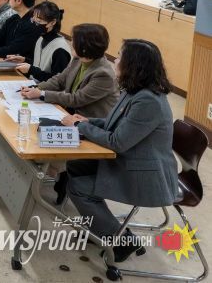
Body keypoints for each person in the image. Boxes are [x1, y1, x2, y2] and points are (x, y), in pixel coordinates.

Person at [61, 39, 177, 263]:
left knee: (79, 187)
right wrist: (87, 121)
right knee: (76, 165)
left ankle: (122, 240)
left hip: (145, 174)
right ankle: (99, 225)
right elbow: (114, 124)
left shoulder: (148, 101)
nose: (115, 60)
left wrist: (80, 127)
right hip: (131, 160)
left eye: (120, 56)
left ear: (133, 64)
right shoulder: (135, 90)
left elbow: (117, 142)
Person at [20, 23, 119, 118]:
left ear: (85, 46)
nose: (71, 43)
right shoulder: (78, 59)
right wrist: (36, 88)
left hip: (88, 122)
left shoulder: (103, 74)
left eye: (74, 40)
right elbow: (59, 80)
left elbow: (76, 99)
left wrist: (41, 94)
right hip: (70, 114)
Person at [8, 1, 71, 82]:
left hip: (44, 89)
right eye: (33, 20)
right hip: (32, 84)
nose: (34, 24)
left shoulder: (60, 50)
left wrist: (31, 70)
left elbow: (58, 82)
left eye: (38, 21)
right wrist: (24, 60)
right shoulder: (41, 38)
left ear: (52, 22)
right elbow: (41, 65)